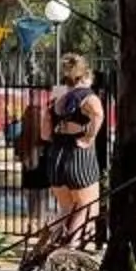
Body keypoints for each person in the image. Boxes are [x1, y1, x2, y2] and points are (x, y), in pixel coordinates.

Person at [41, 54, 108, 244]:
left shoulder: (58, 97)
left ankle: (50, 247)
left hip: (56, 155)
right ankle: (72, 249)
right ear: (85, 75)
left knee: (65, 208)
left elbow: (45, 132)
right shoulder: (87, 96)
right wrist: (89, 137)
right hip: (79, 156)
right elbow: (97, 113)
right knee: (87, 208)